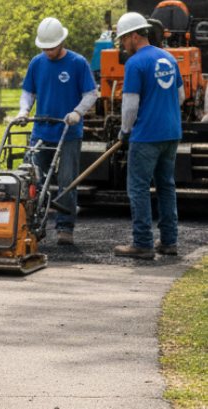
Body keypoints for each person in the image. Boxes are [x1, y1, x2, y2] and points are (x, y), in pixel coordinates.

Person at [17, 17, 97, 246]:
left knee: (67, 181)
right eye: (44, 48)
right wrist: (24, 111)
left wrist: (77, 112)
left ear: (61, 42)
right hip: (41, 130)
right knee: (32, 178)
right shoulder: (36, 63)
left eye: (51, 47)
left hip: (68, 131)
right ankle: (31, 223)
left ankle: (65, 227)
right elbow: (28, 92)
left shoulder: (77, 63)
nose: (48, 51)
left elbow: (91, 93)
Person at [113, 12, 184, 259]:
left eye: (123, 39)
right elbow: (181, 97)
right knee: (166, 186)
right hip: (171, 133)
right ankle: (168, 241)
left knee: (138, 188)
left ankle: (142, 243)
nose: (123, 44)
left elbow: (130, 106)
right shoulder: (168, 58)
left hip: (146, 137)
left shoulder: (135, 63)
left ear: (134, 35)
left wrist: (124, 132)